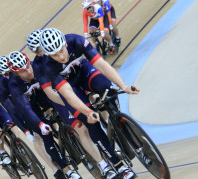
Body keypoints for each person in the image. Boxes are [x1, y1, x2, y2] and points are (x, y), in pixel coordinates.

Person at [40, 28, 139, 179]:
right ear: (48, 55)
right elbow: (67, 93)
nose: (60, 56)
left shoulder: (76, 41)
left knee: (108, 89)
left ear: (64, 43)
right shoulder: (48, 66)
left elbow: (102, 65)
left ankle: (115, 122)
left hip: (84, 72)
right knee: (90, 122)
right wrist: (87, 112)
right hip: (71, 87)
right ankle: (118, 165)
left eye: (61, 50)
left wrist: (123, 86)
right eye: (55, 55)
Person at [8, 51, 82, 179]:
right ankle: (66, 170)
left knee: (60, 103)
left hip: (43, 95)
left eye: (28, 66)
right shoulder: (14, 85)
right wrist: (41, 124)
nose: (29, 71)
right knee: (45, 134)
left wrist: (68, 104)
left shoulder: (36, 67)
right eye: (23, 71)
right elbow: (26, 109)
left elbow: (53, 89)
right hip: (29, 106)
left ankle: (66, 131)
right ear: (16, 73)